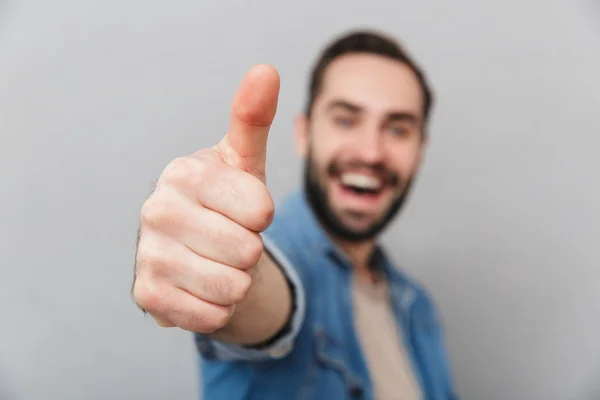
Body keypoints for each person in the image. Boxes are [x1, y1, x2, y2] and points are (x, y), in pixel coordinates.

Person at [132, 29, 459, 400]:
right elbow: (264, 297)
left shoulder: (417, 307)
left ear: (419, 150)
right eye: (346, 120)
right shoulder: (275, 255)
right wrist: (234, 270)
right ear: (304, 134)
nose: (371, 152)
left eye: (398, 129)